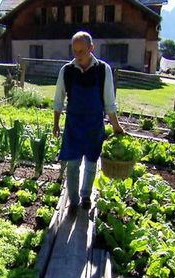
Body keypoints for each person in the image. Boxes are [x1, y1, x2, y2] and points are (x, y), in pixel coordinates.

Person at [52, 31, 124, 216]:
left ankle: (86, 196)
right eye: (75, 51)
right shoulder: (67, 70)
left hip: (94, 124)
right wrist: (56, 124)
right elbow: (58, 99)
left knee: (91, 163)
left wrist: (116, 126)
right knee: (73, 164)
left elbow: (109, 101)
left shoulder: (103, 70)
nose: (78, 55)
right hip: (73, 125)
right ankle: (73, 201)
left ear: (92, 48)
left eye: (82, 51)